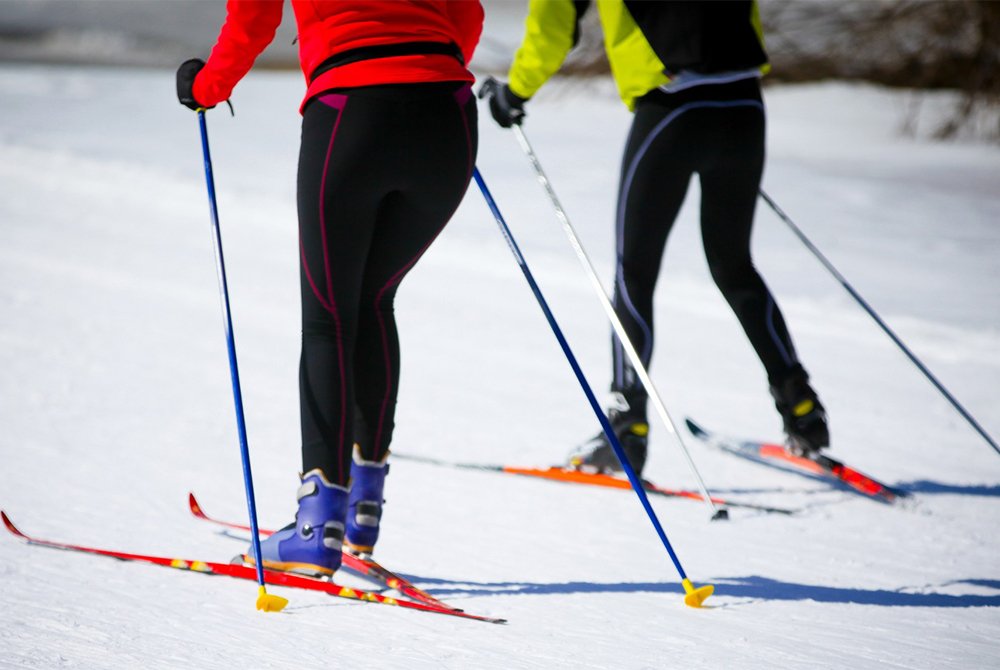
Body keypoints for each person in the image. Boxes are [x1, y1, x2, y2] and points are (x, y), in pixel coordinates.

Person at [176, 0, 483, 576]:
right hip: (447, 112)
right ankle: (361, 511)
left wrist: (207, 85)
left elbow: (253, 19)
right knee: (373, 299)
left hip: (351, 112)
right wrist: (423, 72)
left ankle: (318, 527)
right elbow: (468, 14)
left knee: (328, 319)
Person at [480, 0, 829, 476]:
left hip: (672, 106)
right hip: (743, 102)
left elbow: (554, 23)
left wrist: (516, 91)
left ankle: (628, 430)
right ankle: (802, 409)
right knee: (733, 265)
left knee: (635, 273)